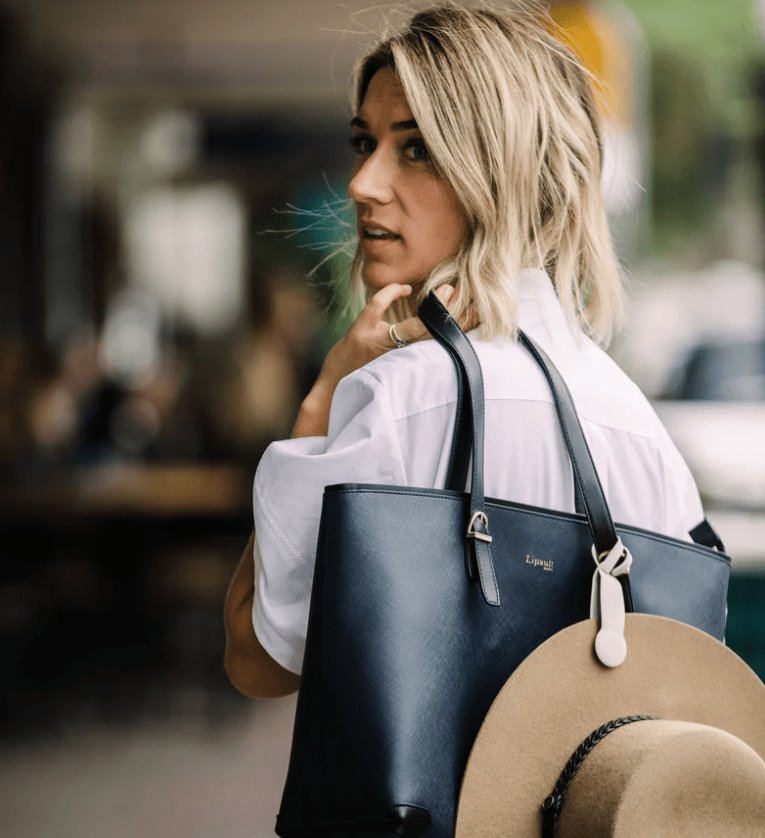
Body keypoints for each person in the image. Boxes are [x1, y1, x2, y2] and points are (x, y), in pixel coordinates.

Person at [224, 5, 706, 700]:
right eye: (364, 142)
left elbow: (260, 660)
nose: (361, 184)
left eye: (416, 148)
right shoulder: (635, 422)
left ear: (504, 173)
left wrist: (323, 397)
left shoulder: (397, 398)